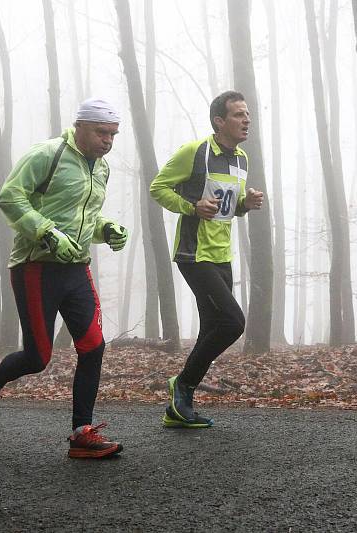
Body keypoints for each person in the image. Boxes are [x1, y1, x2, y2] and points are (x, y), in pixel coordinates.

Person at [0, 98, 129, 459]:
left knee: (93, 345)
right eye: (102, 132)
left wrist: (108, 229)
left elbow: (86, 216)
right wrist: (46, 232)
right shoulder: (47, 155)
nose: (108, 141)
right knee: (38, 357)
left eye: (114, 134)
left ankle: (82, 434)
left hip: (77, 269)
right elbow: (10, 198)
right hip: (35, 267)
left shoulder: (100, 168)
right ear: (80, 127)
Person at [150, 90, 264, 428]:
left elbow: (231, 206)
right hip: (193, 253)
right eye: (239, 115)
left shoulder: (242, 158)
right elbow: (158, 187)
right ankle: (181, 384)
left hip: (221, 254)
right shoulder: (195, 152)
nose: (247, 120)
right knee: (233, 322)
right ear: (219, 121)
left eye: (248, 115)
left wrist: (247, 203)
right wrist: (191, 206)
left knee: (211, 328)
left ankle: (178, 408)